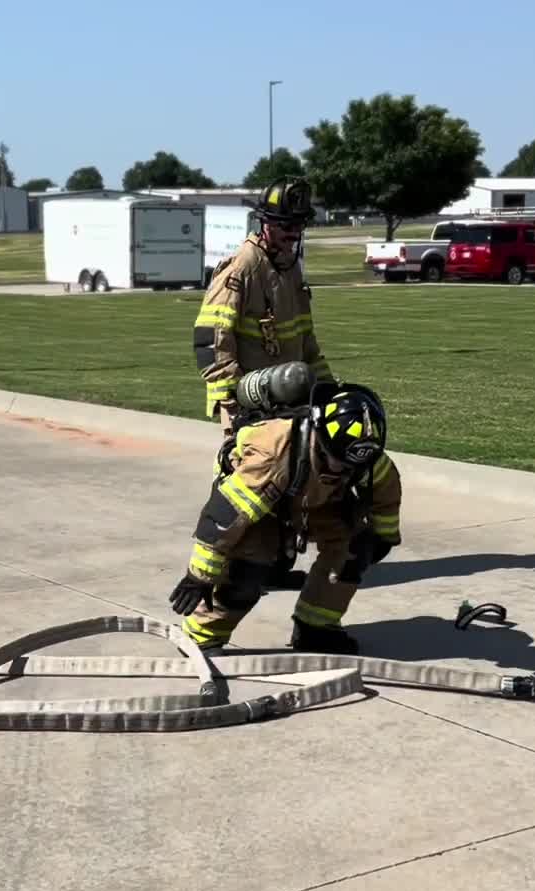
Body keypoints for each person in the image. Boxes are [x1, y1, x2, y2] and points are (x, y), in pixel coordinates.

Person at [168, 379, 401, 655]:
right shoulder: (272, 454)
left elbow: (386, 491)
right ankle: (201, 638)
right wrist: (200, 576)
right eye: (335, 461)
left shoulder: (363, 455)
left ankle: (315, 628)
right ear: (321, 438)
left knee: (355, 548)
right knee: (247, 574)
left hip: (315, 503)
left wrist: (384, 536)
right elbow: (225, 519)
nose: (343, 470)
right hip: (265, 508)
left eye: (351, 466)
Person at [191, 177, 332, 428]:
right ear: (266, 223)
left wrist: (327, 388)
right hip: (249, 402)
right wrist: (233, 397)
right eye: (286, 225)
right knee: (258, 466)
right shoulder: (243, 267)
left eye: (299, 225)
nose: (293, 233)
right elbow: (209, 339)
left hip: (288, 398)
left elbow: (305, 340)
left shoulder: (291, 269)